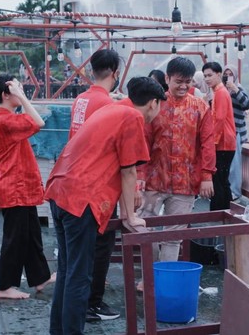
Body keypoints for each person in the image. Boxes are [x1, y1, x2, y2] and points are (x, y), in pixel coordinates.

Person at [45, 77, 166, 335]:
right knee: (79, 276)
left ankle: (59, 331)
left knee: (67, 272)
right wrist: (131, 217)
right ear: (154, 103)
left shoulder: (112, 108)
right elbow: (128, 171)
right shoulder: (132, 117)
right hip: (80, 198)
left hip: (60, 191)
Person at [137, 57, 216, 263]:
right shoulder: (155, 105)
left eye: (188, 82)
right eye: (178, 81)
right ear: (167, 78)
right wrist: (140, 175)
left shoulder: (201, 107)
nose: (183, 86)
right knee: (146, 230)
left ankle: (165, 280)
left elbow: (208, 142)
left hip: (186, 182)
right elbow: (143, 141)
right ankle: (149, 277)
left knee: (174, 237)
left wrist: (207, 175)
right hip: (154, 180)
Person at [0, 74, 55, 300]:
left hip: (19, 185)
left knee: (31, 234)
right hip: (12, 186)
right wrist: (23, 97)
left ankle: (40, 278)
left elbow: (33, 119)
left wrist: (20, 95)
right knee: (15, 239)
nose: (21, 90)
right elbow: (38, 122)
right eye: (15, 88)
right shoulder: (3, 120)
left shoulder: (6, 116)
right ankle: (4, 286)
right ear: (6, 95)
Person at [67, 48, 123, 322]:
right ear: (115, 72)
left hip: (73, 184)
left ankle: (79, 307)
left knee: (76, 255)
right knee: (101, 246)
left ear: (91, 71)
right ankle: (93, 303)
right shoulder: (109, 106)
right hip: (96, 186)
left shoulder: (80, 99)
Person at [202, 61, 236, 211]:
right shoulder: (219, 91)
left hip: (223, 144)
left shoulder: (221, 93)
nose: (207, 79)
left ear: (218, 74)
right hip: (225, 143)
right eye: (205, 76)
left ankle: (219, 211)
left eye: (210, 75)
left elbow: (219, 119)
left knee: (219, 180)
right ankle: (225, 210)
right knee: (222, 180)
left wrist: (211, 142)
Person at [223, 64, 249, 201]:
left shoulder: (239, 89)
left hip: (236, 131)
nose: (228, 77)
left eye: (231, 74)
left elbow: (246, 104)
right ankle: (227, 190)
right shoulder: (221, 90)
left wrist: (234, 89)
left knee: (235, 164)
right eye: (226, 74)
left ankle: (235, 192)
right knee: (226, 163)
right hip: (224, 133)